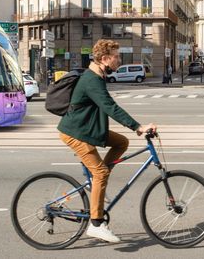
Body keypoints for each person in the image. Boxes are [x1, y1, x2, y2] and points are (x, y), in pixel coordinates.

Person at [58, 39, 157, 243]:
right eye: (116, 57)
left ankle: (98, 186)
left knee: (121, 143)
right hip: (76, 133)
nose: (119, 60)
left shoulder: (98, 75)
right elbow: (110, 107)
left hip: (88, 128)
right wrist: (138, 127)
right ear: (105, 59)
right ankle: (96, 224)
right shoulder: (92, 79)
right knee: (101, 172)